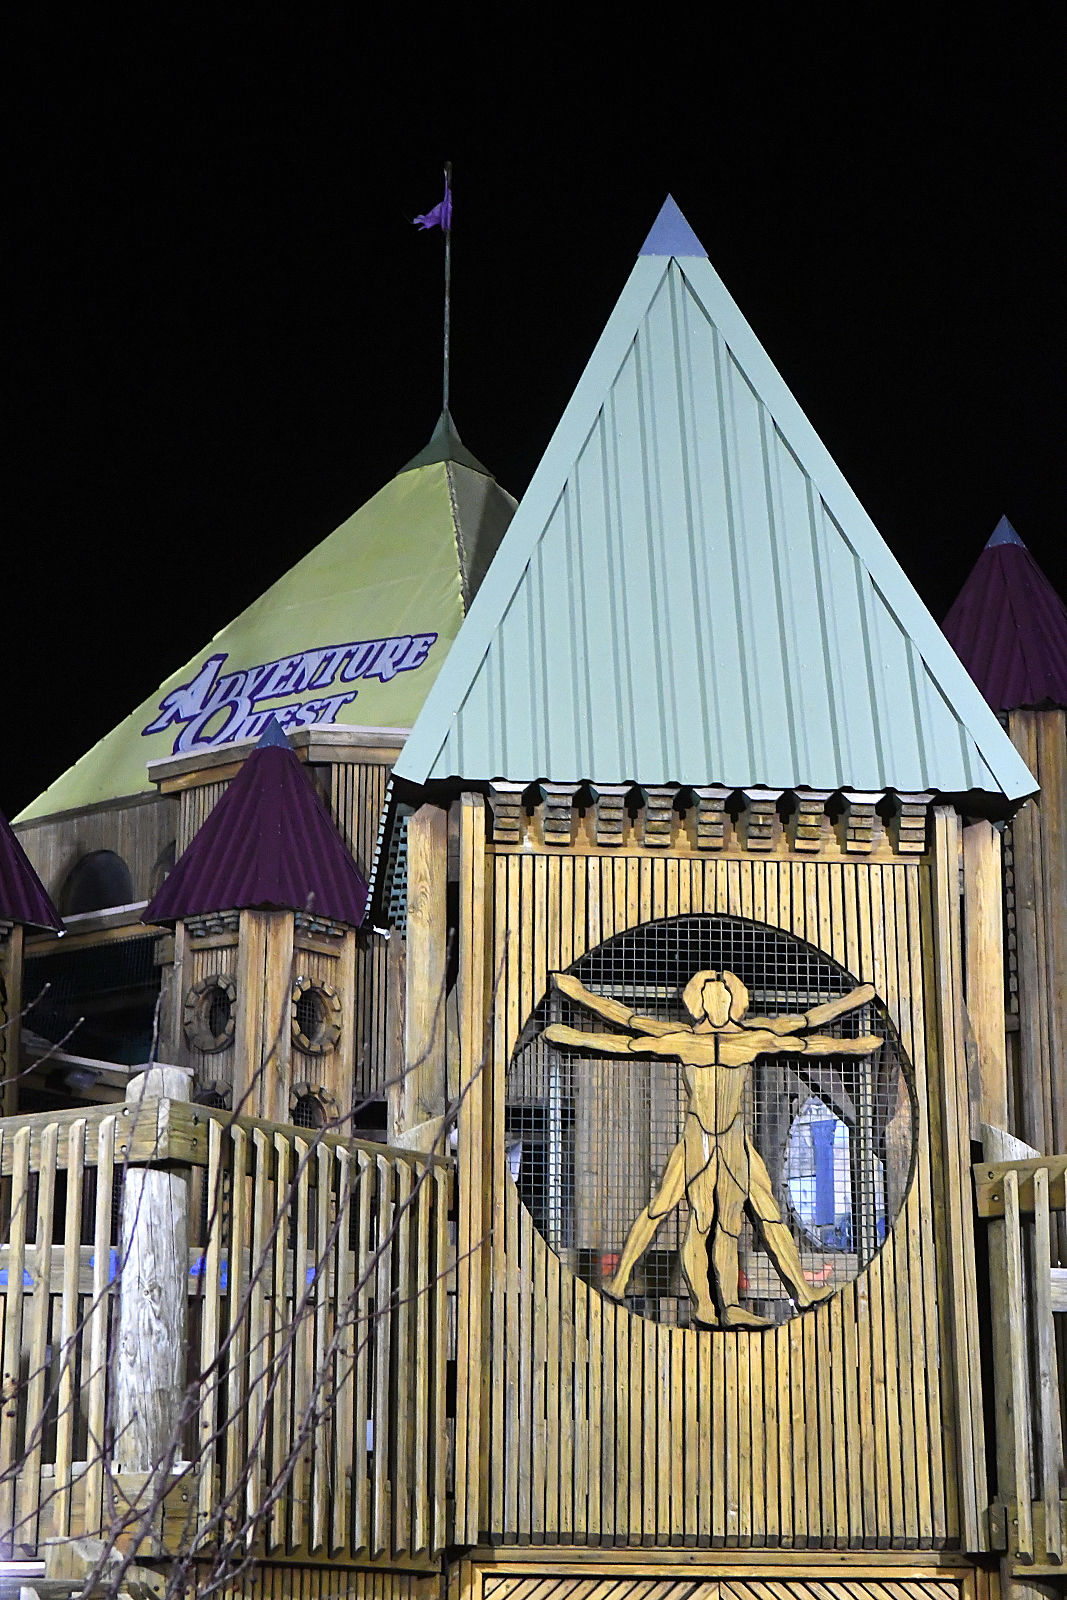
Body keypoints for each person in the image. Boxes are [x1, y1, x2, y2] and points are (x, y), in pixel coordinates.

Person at [542, 968, 882, 1327]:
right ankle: (663, 1292)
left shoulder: (750, 1040)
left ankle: (777, 1293)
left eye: (724, 996)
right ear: (698, 1003)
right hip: (697, 1140)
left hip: (734, 1141)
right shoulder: (685, 1039)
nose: (718, 1001)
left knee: (754, 1217)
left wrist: (853, 1021)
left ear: (735, 1003)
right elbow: (630, 1030)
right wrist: (577, 1002)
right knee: (685, 1214)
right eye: (711, 996)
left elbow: (803, 1031)